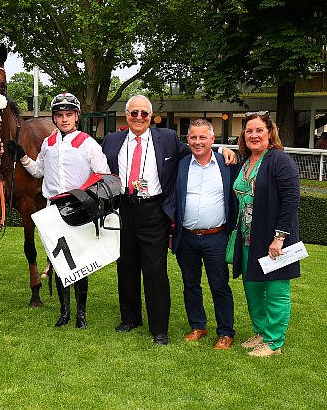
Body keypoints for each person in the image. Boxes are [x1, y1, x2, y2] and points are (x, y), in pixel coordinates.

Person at [101, 95, 236, 345]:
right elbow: (96, 164)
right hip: (123, 209)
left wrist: (221, 150)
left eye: (144, 113)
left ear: (151, 116)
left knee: (155, 271)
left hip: (153, 211)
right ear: (126, 115)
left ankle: (159, 328)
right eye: (134, 113)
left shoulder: (168, 138)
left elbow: (198, 149)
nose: (139, 117)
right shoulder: (112, 140)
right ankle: (130, 318)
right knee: (126, 267)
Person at [8, 92, 110, 328]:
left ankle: (81, 314)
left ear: (77, 117)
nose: (64, 119)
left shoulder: (88, 143)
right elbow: (38, 171)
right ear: (54, 118)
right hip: (53, 209)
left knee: (80, 263)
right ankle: (64, 313)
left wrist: (87, 199)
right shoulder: (48, 143)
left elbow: (102, 175)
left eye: (69, 115)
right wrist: (22, 156)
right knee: (59, 262)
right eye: (60, 115)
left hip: (78, 207)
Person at [230, 111, 300, 357]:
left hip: (275, 241)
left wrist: (279, 238)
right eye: (249, 131)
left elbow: (290, 200)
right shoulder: (245, 161)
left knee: (276, 291)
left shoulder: (280, 160)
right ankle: (261, 332)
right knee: (253, 290)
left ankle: (274, 342)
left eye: (259, 130)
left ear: (270, 133)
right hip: (248, 239)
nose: (254, 135)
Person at [172, 119, 237, 349]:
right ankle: (198, 326)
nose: (198, 142)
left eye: (203, 137)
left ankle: (226, 332)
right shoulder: (180, 164)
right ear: (187, 139)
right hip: (186, 236)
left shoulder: (226, 163)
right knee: (190, 284)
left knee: (219, 285)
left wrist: (226, 150)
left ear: (212, 139)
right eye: (193, 137)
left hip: (216, 237)